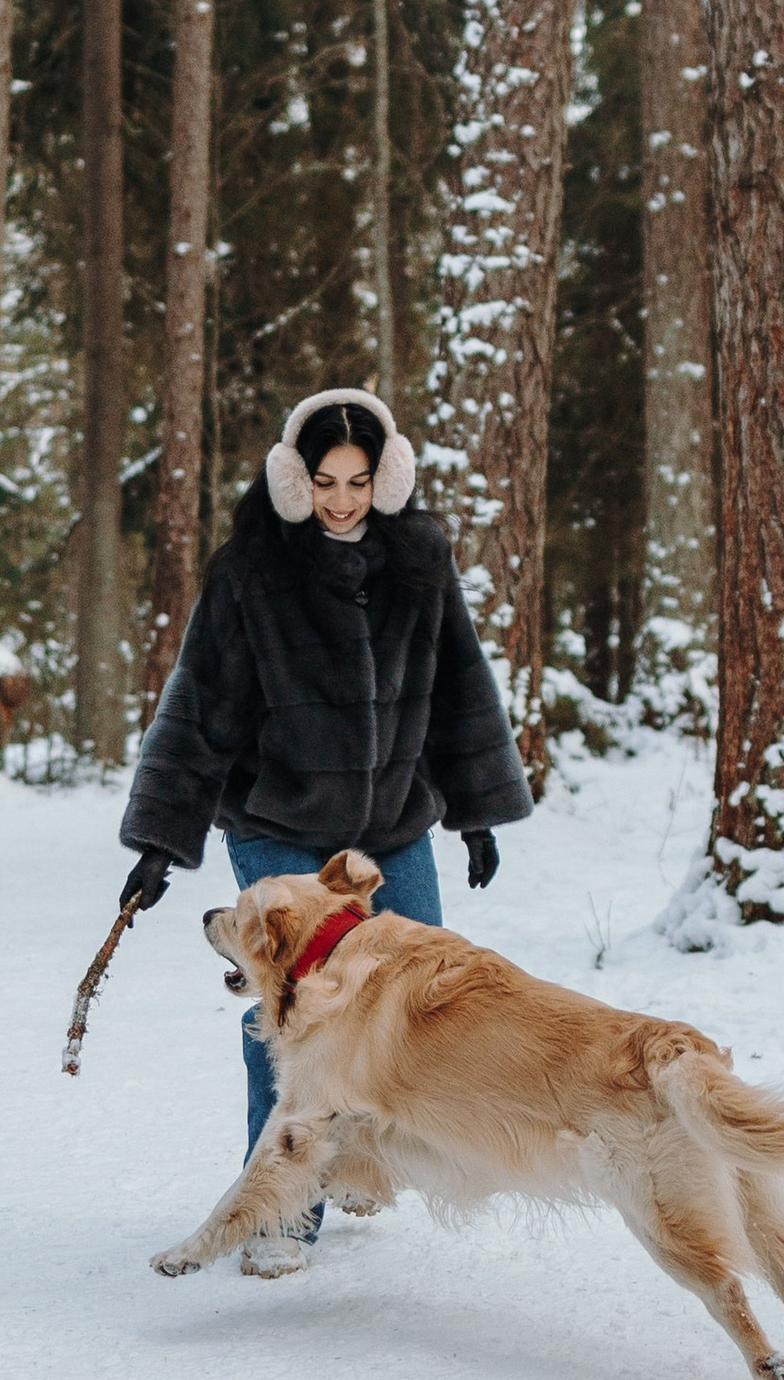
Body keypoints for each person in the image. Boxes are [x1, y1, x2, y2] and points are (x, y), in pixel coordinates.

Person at [117, 386, 529, 1272]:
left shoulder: (419, 557)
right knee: (291, 1008)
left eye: (358, 478)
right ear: (293, 480)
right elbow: (199, 708)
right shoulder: (251, 570)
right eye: (324, 479)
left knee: (416, 997)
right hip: (276, 817)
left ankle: (360, 1161)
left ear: (386, 478)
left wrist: (477, 811)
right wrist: (161, 840)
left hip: (390, 825)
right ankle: (278, 1213)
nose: (341, 497)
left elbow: (461, 686)